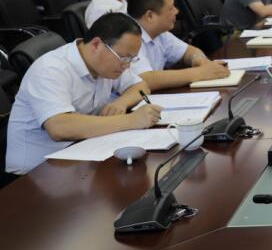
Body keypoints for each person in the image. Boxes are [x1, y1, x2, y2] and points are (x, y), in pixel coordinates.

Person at [5, 13, 160, 175]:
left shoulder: (106, 64)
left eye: (132, 59)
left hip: (81, 153)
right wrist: (131, 120)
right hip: (35, 172)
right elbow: (59, 128)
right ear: (96, 45)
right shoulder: (50, 69)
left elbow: (140, 86)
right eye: (124, 58)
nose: (127, 66)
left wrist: (121, 103)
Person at [128, 0, 231, 89]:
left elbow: (188, 51)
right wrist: (200, 73)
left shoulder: (159, 32)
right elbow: (144, 79)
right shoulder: (127, 35)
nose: (176, 11)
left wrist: (199, 60)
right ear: (150, 16)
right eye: (171, 8)